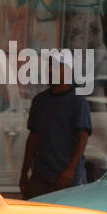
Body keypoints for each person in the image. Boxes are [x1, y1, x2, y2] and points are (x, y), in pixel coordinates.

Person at [19, 50, 92, 199]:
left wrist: (70, 170)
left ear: (68, 70)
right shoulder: (40, 101)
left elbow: (82, 138)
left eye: (58, 66)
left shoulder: (78, 102)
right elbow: (33, 138)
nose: (52, 70)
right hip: (41, 177)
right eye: (50, 66)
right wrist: (24, 171)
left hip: (67, 180)